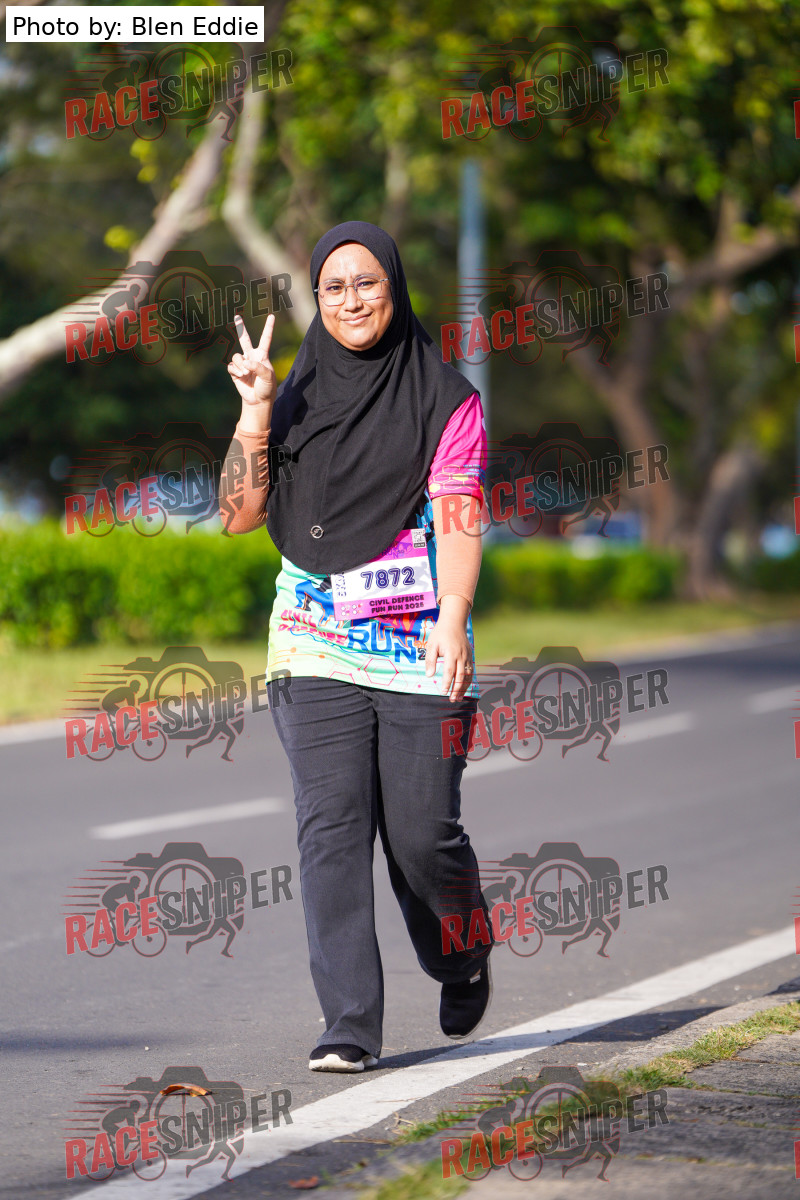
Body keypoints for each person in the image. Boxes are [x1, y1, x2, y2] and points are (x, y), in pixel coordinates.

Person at [220, 221, 493, 1072]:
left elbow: (459, 513)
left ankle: (461, 954)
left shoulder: (447, 399)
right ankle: (348, 1023)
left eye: (367, 282)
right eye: (333, 288)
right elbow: (237, 515)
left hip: (420, 640)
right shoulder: (293, 395)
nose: (351, 301)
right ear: (317, 297)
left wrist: (454, 614)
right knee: (332, 827)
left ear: (395, 287)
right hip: (313, 640)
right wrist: (256, 410)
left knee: (422, 835)